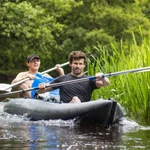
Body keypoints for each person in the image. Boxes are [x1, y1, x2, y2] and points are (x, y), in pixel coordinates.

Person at [37, 51, 110, 103]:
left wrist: (102, 77)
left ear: (84, 65)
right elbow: (40, 91)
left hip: (85, 110)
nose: (78, 66)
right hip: (66, 110)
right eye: (75, 63)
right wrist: (42, 87)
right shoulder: (62, 79)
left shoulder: (89, 80)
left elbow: (106, 83)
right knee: (75, 99)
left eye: (80, 64)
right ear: (70, 64)